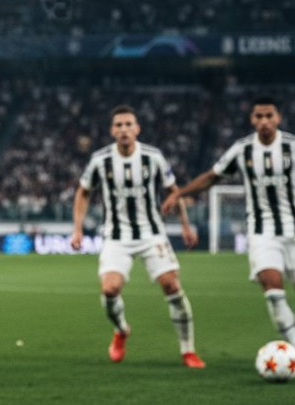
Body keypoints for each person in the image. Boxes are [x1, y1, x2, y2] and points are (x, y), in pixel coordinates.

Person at [170, 97, 295, 371]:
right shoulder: (241, 149)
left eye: (268, 115)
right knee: (273, 291)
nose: (264, 121)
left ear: (278, 118)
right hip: (261, 233)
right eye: (258, 116)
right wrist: (180, 192)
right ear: (252, 120)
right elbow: (212, 176)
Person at [70, 105, 204, 368]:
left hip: (151, 234)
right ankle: (121, 330)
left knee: (172, 286)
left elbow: (173, 190)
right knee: (109, 289)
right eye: (118, 125)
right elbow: (83, 191)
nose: (124, 129)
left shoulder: (153, 157)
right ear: (112, 130)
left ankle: (188, 351)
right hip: (116, 236)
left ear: (137, 128)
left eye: (128, 124)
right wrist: (77, 229)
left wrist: (185, 226)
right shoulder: (100, 160)